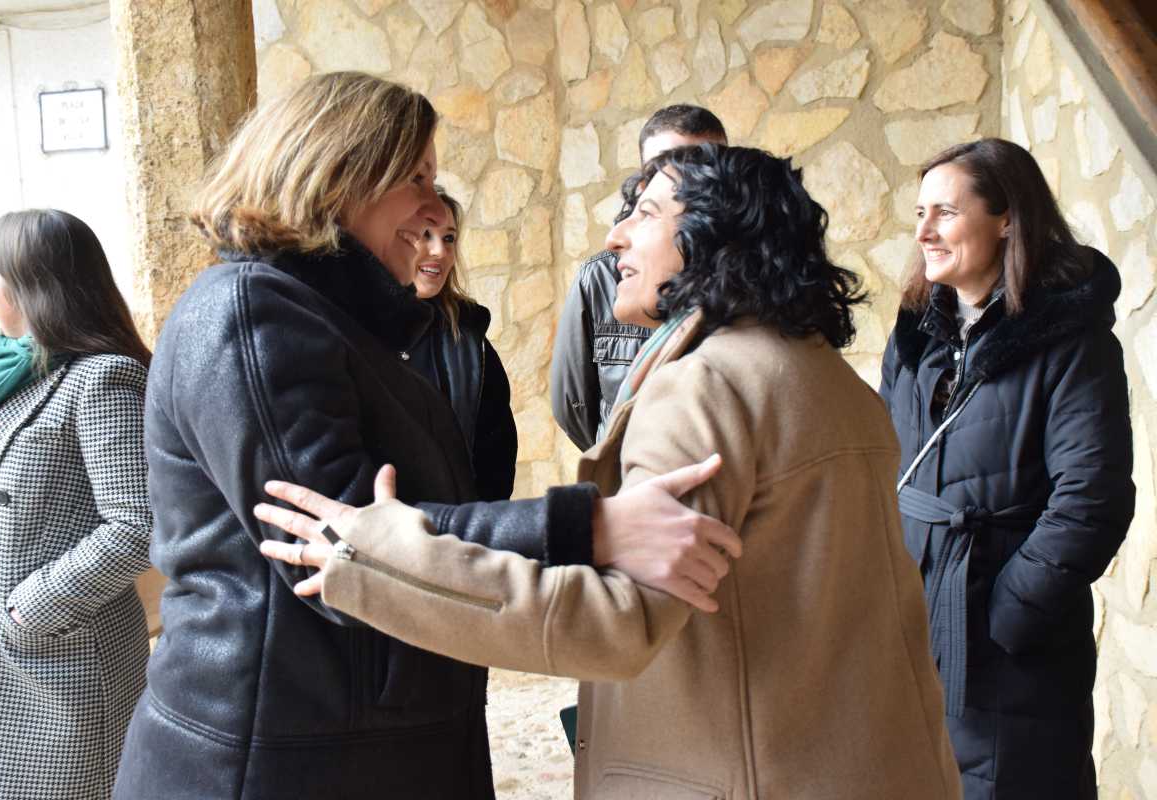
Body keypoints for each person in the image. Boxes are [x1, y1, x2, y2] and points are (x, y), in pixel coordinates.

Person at [256, 144, 962, 799]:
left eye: (645, 215)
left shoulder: (707, 386)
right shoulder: (828, 377)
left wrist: (382, 562)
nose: (615, 238)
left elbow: (615, 624)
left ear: (716, 236)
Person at [113, 72, 740, 800]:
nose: (435, 207)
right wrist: (591, 526)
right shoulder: (251, 314)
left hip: (353, 748)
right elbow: (338, 551)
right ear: (337, 172)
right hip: (277, 763)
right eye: (415, 177)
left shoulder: (331, 317)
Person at [878, 138, 1134, 799]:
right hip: (914, 623)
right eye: (919, 213)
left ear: (1008, 219)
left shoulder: (1070, 342)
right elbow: (883, 461)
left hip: (1011, 642)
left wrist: (1008, 615)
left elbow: (1092, 499)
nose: (925, 231)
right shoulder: (915, 334)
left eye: (945, 212)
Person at [0, 209, 153, 800]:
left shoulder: (100, 379)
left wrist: (31, 609)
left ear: (30, 283)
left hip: (60, 667)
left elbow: (138, 524)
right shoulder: (12, 373)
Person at [550, 105, 727, 451]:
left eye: (700, 166)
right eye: (661, 167)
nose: (680, 182)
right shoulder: (600, 277)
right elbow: (573, 406)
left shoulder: (744, 281)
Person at [406, 188, 516, 501]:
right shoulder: (354, 330)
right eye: (425, 234)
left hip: (455, 536)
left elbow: (496, 461)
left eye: (449, 238)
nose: (440, 251)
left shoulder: (471, 342)